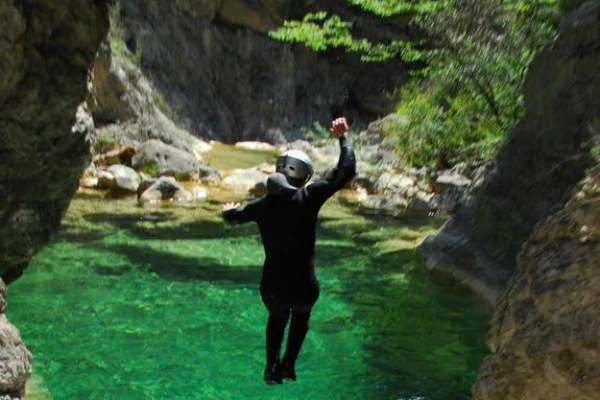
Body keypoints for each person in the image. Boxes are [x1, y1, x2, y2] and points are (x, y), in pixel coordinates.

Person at [221, 117, 356, 384]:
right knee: (301, 316)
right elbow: (346, 171)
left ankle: (271, 367)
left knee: (277, 318)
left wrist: (228, 211)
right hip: (304, 288)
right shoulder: (310, 197)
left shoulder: (260, 206)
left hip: (273, 289)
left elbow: (233, 217)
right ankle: (289, 365)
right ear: (304, 174)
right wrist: (344, 138)